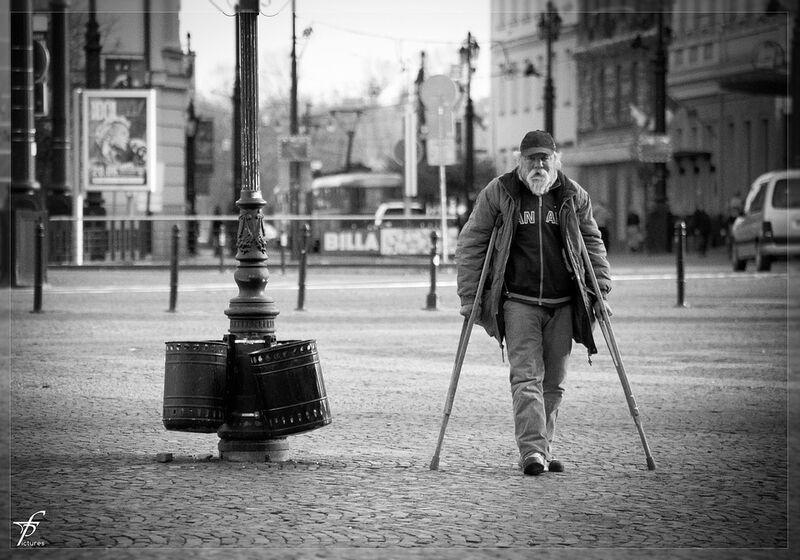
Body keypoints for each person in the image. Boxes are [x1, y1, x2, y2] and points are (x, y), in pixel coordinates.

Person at [455, 130, 612, 476]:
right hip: (518, 302)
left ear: (556, 159)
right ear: (520, 161)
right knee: (526, 378)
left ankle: (542, 445)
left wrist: (601, 288)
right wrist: (470, 297)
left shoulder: (572, 195)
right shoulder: (501, 192)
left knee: (554, 383)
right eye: (532, 159)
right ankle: (532, 453)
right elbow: (472, 243)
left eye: (545, 158)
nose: (539, 164)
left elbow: (592, 242)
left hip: (564, 303)